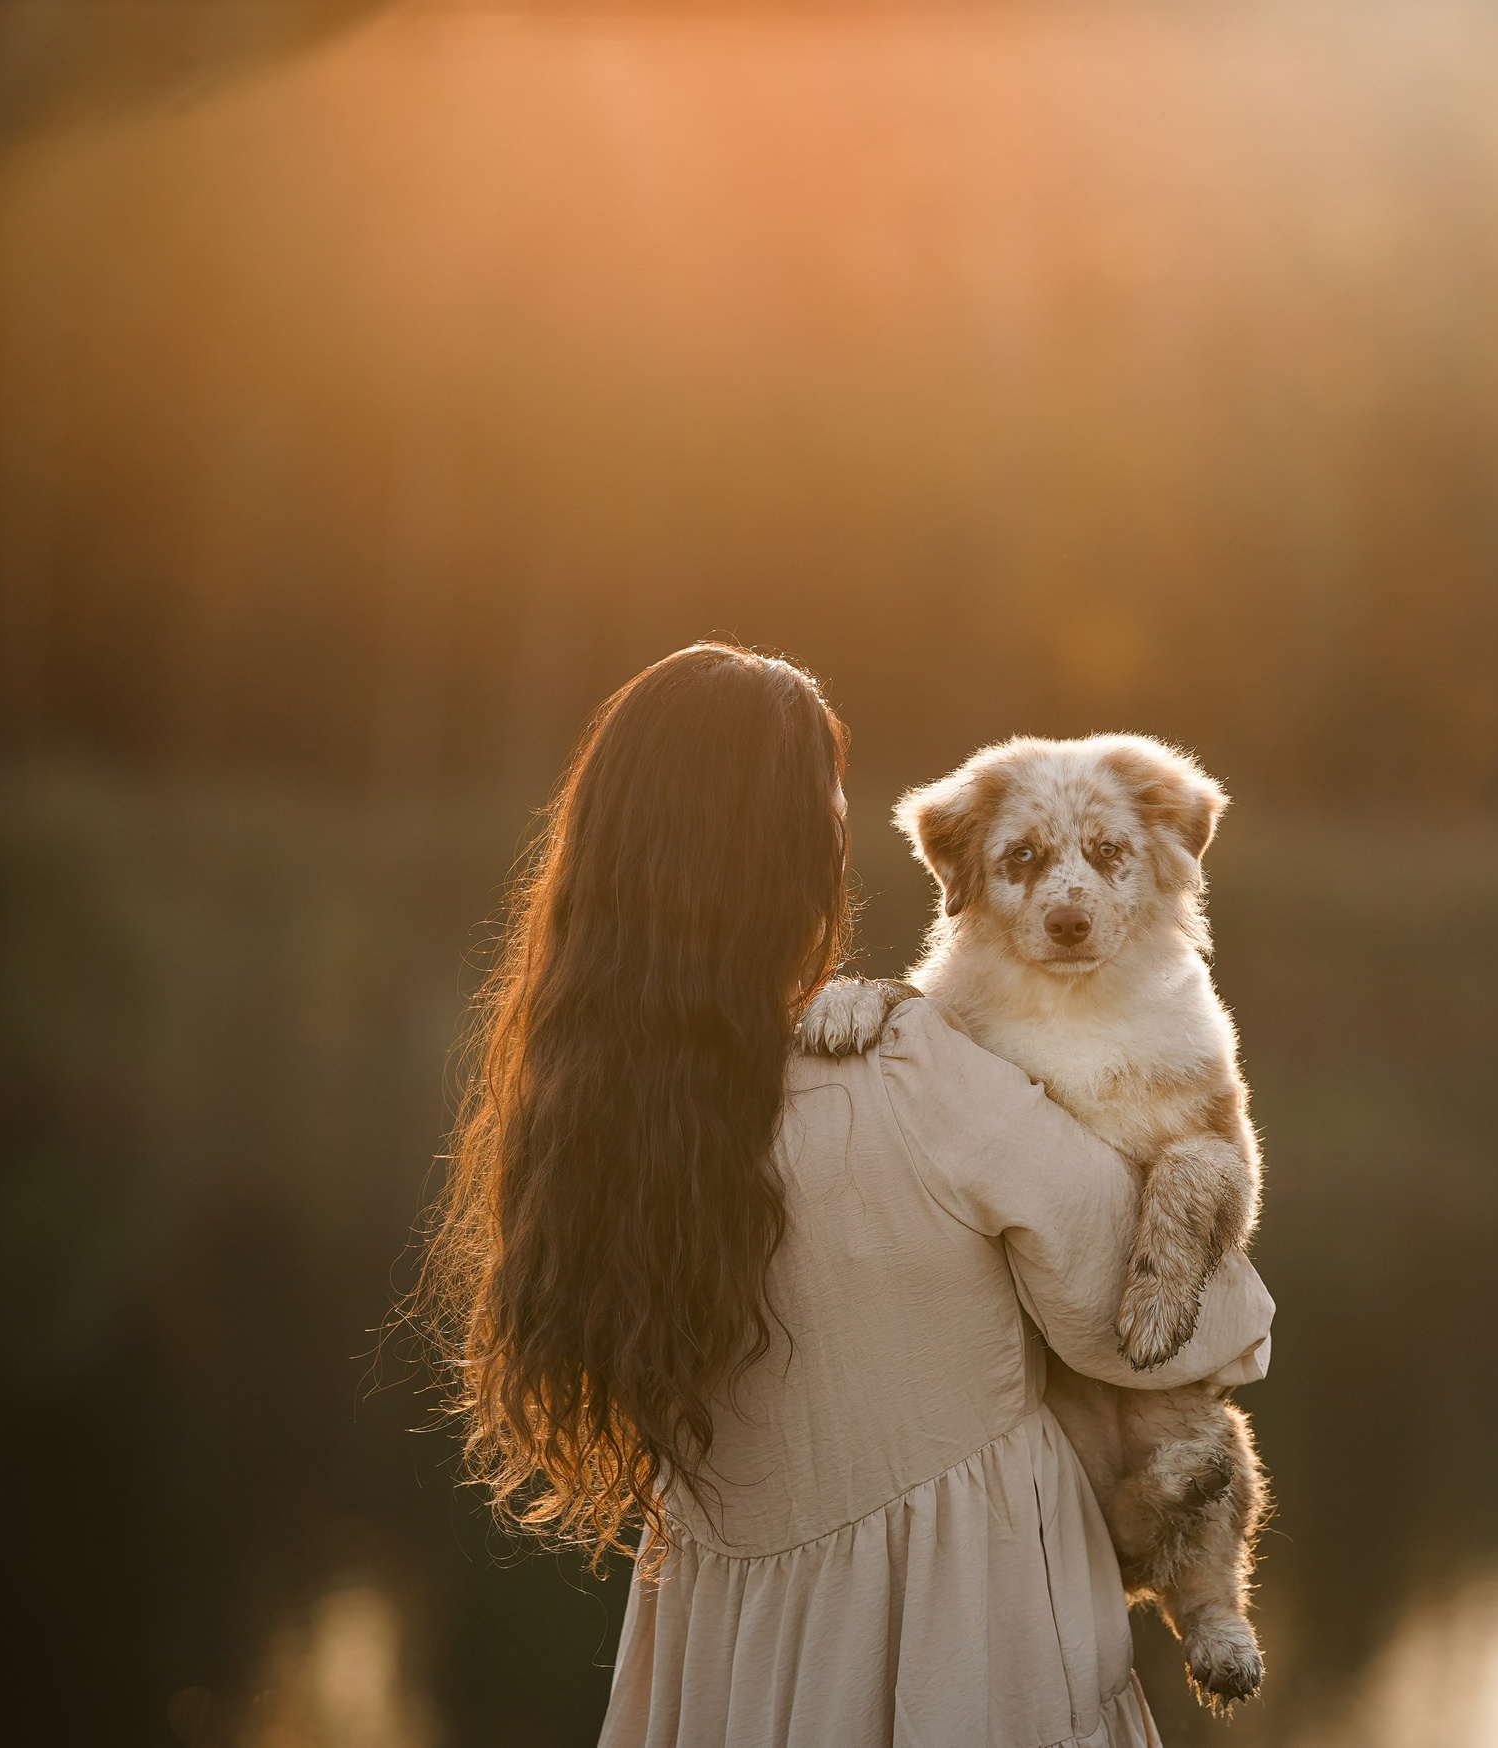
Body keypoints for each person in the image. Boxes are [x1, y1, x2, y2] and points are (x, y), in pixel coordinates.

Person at [411, 643, 1272, 1748]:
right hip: (967, 1633)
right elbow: (1171, 1327)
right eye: (826, 800)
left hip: (730, 1655)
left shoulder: (595, 1115)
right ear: (791, 850)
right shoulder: (919, 1074)